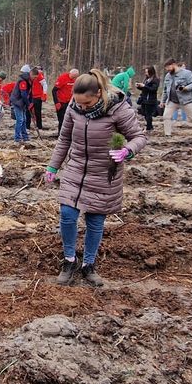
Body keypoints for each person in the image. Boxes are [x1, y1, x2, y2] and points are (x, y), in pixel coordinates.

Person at [44, 69, 146, 287]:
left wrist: (127, 151)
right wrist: (53, 166)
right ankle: (69, 260)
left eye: (86, 105)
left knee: (95, 221)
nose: (81, 108)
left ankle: (89, 264)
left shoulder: (118, 108)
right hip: (76, 169)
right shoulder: (74, 107)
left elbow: (138, 136)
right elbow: (64, 139)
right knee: (67, 214)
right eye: (78, 104)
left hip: (104, 173)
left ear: (99, 94)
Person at [161, 59, 192, 137]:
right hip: (172, 101)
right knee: (166, 116)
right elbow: (165, 90)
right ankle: (167, 135)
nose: (167, 70)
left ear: (173, 64)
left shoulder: (186, 73)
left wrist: (185, 88)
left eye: (168, 67)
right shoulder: (168, 76)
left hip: (186, 101)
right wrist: (163, 101)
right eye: (166, 68)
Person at [9, 64, 33, 143]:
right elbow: (23, 94)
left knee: (24, 119)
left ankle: (25, 136)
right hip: (17, 102)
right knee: (20, 120)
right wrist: (28, 103)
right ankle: (17, 138)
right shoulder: (22, 81)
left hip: (21, 102)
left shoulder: (25, 81)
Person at [135, 66, 160, 132]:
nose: (146, 73)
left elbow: (153, 89)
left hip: (150, 100)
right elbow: (144, 89)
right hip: (144, 99)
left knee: (148, 114)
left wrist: (144, 86)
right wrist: (139, 86)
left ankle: (149, 128)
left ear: (151, 72)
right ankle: (149, 126)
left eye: (147, 72)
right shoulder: (146, 79)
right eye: (145, 72)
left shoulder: (155, 80)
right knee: (144, 114)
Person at [30, 66, 47, 132]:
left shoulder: (40, 76)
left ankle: (39, 127)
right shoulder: (30, 75)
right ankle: (28, 127)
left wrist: (44, 94)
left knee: (38, 112)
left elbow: (44, 84)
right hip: (30, 96)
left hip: (38, 96)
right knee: (29, 111)